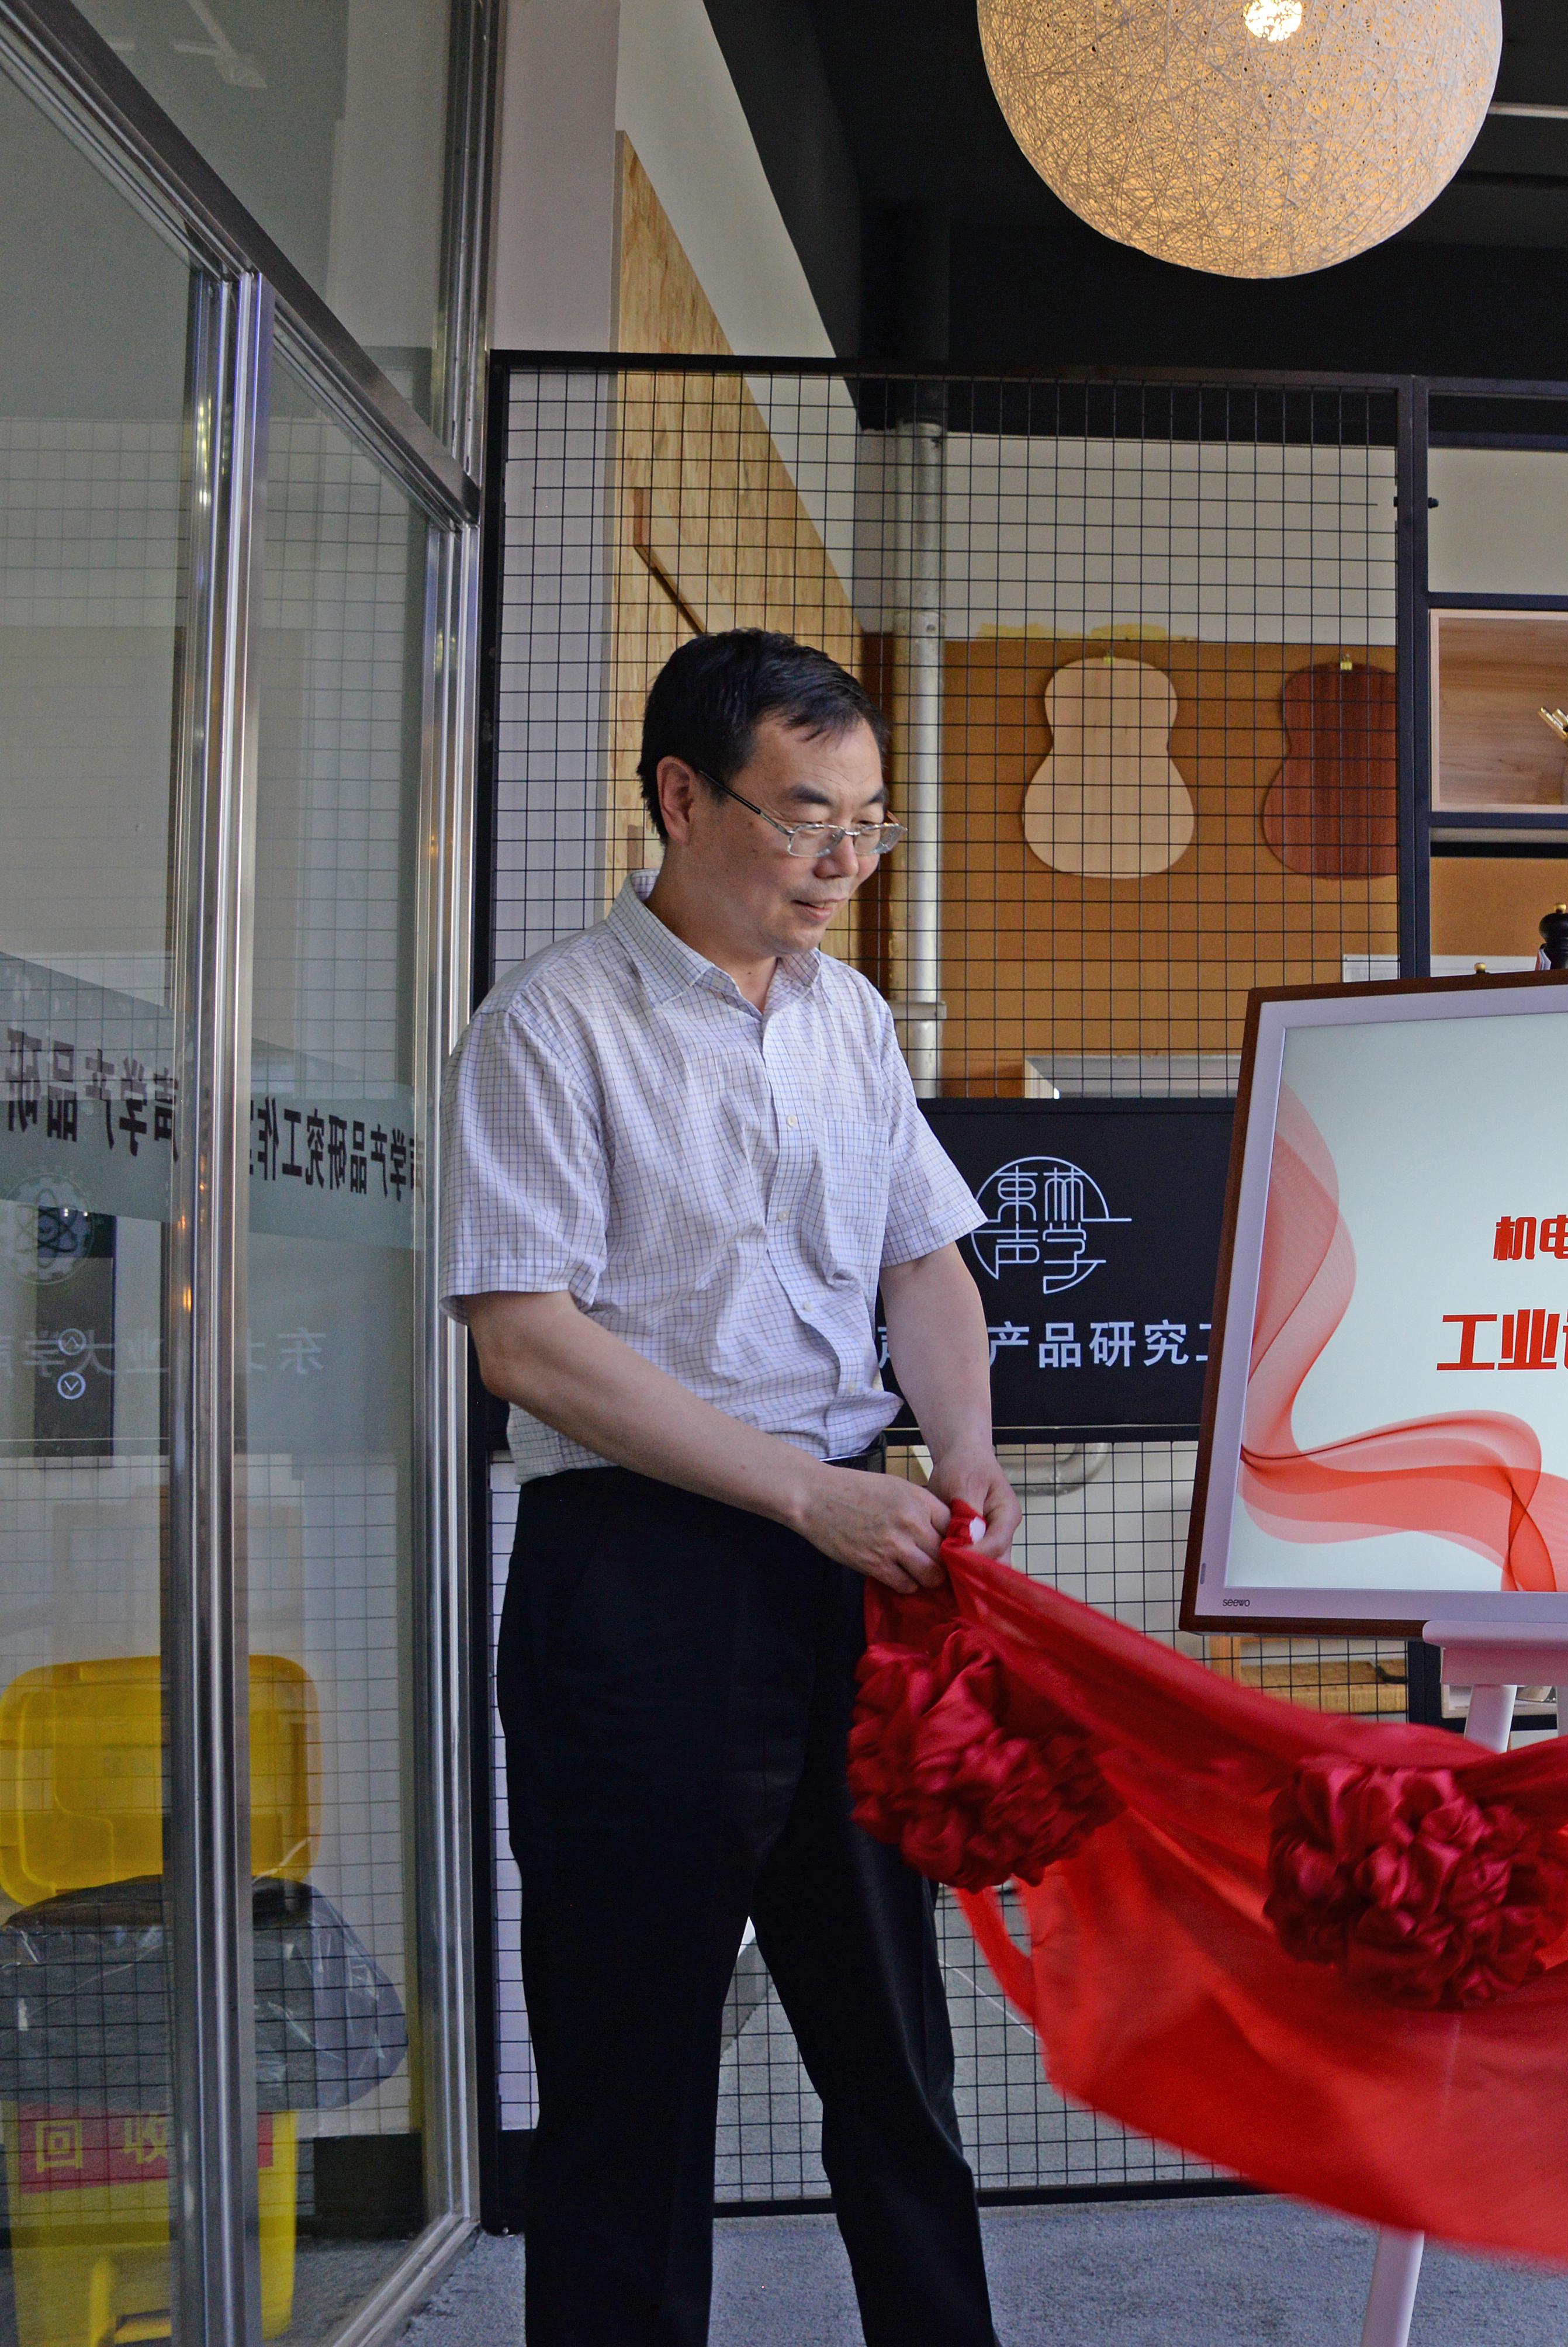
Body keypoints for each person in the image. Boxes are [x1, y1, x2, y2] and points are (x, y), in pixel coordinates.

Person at [447, 629, 1014, 2346]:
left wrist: (964, 1448)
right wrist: (802, 1495)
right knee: (629, 2076)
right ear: (682, 799)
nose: (843, 860)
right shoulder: (553, 1024)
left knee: (894, 2049)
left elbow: (923, 1259)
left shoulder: (850, 1018)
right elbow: (527, 1342)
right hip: (639, 1582)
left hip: (855, 1564)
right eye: (804, 816)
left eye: (869, 820)